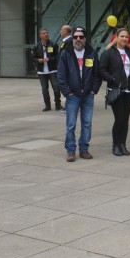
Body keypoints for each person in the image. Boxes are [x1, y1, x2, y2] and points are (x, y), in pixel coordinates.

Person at [57, 27, 101, 162]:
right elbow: (61, 75)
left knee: (87, 123)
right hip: (73, 95)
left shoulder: (92, 53)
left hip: (88, 95)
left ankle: (84, 149)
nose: (78, 39)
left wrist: (94, 90)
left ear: (85, 38)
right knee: (71, 124)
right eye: (75, 37)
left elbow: (97, 74)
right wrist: (68, 93)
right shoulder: (66, 53)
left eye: (81, 37)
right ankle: (70, 151)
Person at [99, 28, 130, 157]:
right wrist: (112, 78)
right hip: (116, 90)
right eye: (122, 36)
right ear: (116, 37)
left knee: (126, 119)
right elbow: (101, 69)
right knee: (119, 118)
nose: (124, 39)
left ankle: (123, 144)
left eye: (126, 37)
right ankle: (116, 145)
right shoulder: (108, 53)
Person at [33, 28, 62, 111]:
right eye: (44, 33)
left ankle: (58, 105)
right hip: (42, 72)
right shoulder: (36, 46)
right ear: (40, 36)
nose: (46, 34)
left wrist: (50, 59)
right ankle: (47, 106)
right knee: (44, 89)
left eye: (47, 33)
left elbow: (57, 57)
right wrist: (38, 60)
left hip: (52, 70)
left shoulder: (53, 44)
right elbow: (33, 58)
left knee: (56, 88)